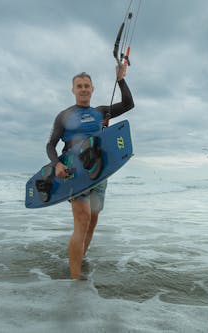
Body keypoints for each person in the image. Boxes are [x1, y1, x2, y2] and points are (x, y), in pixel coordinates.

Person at [46, 65, 134, 279]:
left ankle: (78, 259)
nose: (83, 89)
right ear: (73, 90)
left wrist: (120, 79)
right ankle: (75, 280)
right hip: (74, 172)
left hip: (98, 173)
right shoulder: (64, 116)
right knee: (83, 221)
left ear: (92, 89)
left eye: (87, 86)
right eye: (79, 86)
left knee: (92, 224)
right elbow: (50, 145)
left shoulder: (100, 112)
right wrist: (57, 164)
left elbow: (128, 104)